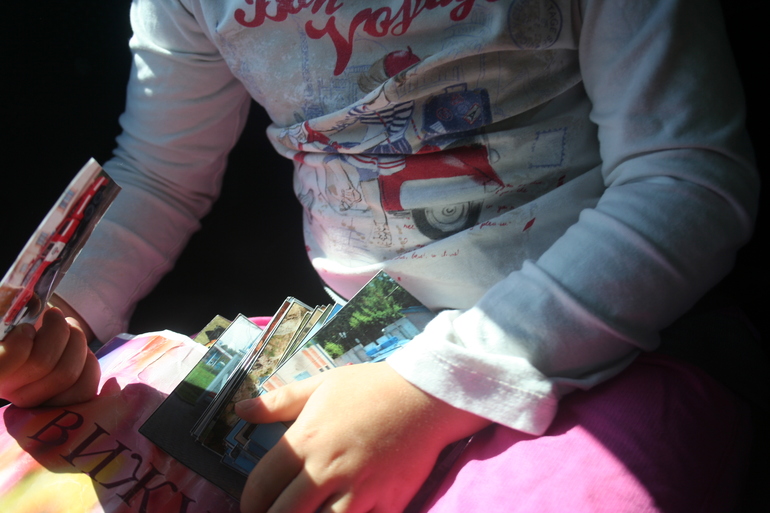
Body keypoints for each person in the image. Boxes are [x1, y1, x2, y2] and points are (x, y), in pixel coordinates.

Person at [0, 0, 759, 511]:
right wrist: (57, 314)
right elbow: (161, 175)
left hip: (609, 344)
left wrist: (433, 388)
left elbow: (686, 182)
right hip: (353, 344)